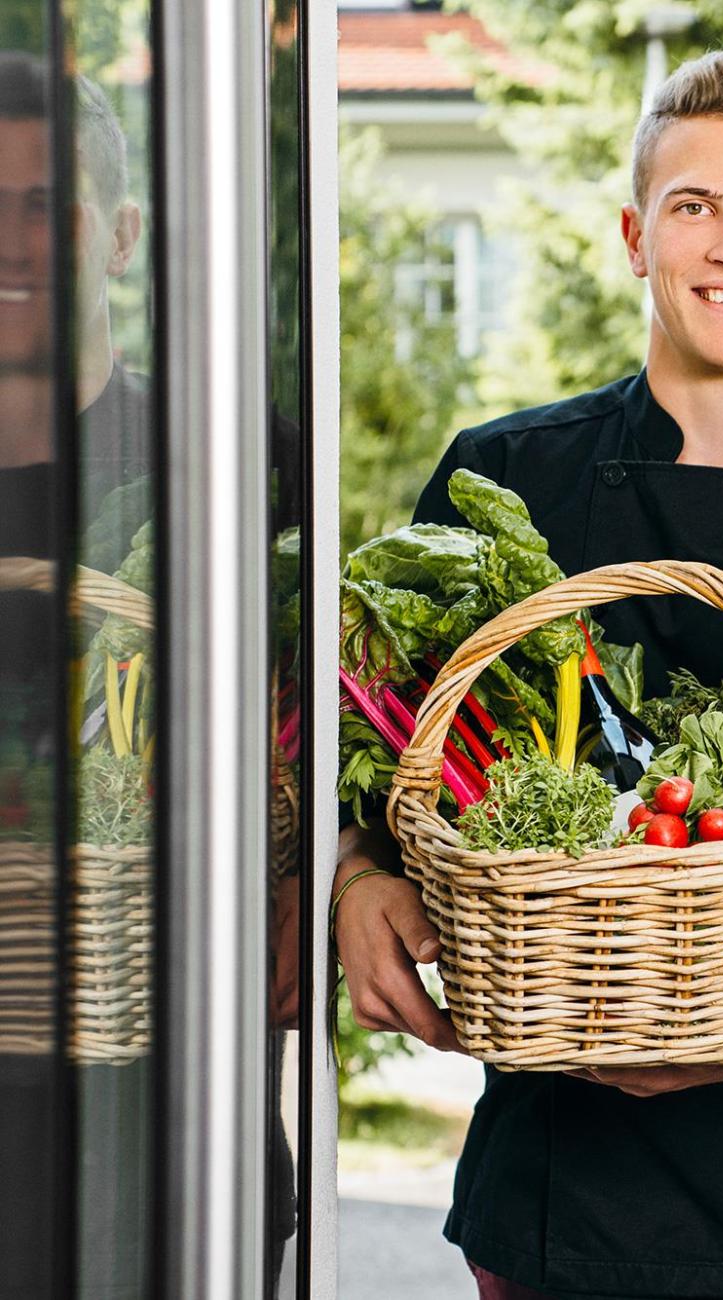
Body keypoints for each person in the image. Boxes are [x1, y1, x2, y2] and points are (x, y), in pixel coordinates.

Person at [334, 45, 723, 1300]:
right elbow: (388, 756)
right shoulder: (511, 474)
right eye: (695, 205)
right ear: (639, 236)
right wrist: (356, 874)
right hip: (566, 1191)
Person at [0, 50, 150, 1297]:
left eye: (44, 204)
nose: (12, 243)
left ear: (120, 232)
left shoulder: (222, 468)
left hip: (148, 1114)